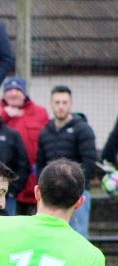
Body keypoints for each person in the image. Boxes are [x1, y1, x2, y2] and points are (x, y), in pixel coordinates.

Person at [37, 86, 96, 238]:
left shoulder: (83, 129)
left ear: (71, 104)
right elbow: (40, 164)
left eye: (64, 102)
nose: (61, 106)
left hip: (78, 193)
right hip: (51, 195)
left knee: (78, 235)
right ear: (51, 104)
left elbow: (89, 163)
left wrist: (75, 187)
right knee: (51, 236)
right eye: (57, 102)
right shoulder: (45, 132)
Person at [0, 77, 48, 215]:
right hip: (7, 182)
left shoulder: (40, 113)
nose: (14, 93)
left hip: (34, 181)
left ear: (25, 93)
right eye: (10, 90)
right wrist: (5, 115)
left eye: (18, 90)